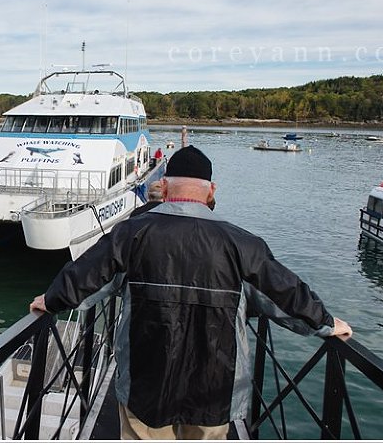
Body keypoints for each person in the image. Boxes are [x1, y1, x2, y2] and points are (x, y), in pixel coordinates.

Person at [30, 145, 352, 440]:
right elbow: (285, 293)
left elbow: (87, 275)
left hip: (146, 383)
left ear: (165, 187)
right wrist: (325, 323)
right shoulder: (242, 243)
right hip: (215, 389)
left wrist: (51, 300)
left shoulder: (132, 234)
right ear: (211, 190)